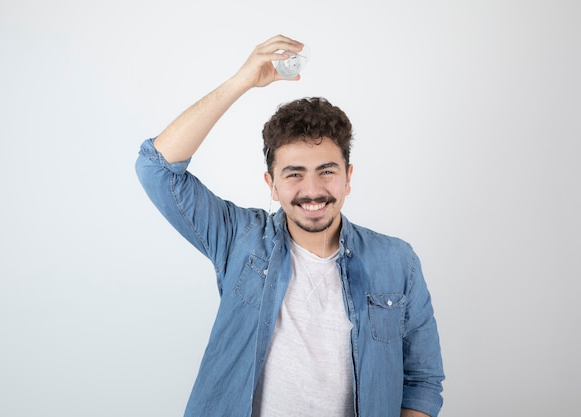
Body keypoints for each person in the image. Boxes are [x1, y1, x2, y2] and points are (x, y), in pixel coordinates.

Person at [135, 35, 444, 417]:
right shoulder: (240, 240)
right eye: (294, 174)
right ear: (272, 185)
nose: (312, 190)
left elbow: (423, 383)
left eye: (326, 171)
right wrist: (240, 81)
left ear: (348, 177)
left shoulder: (397, 261)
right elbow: (156, 168)